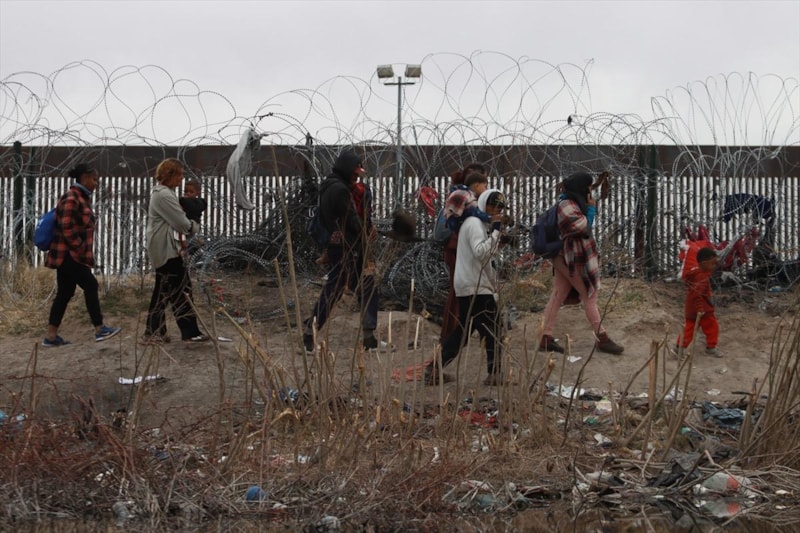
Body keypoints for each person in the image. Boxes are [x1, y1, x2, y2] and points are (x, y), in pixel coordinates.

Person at [302, 149, 383, 353]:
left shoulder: (330, 185)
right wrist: (367, 231)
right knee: (335, 291)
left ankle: (369, 338)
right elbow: (351, 220)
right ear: (347, 170)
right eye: (355, 174)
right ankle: (309, 336)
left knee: (363, 287)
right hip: (347, 248)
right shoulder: (340, 191)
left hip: (341, 247)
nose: (357, 178)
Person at [426, 189, 507, 386]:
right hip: (475, 286)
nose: (497, 211)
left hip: (471, 285)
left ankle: (434, 368)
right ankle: (495, 373)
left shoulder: (476, 225)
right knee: (493, 329)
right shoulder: (475, 224)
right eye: (494, 206)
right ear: (483, 205)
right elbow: (481, 253)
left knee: (462, 332)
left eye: (500, 208)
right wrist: (496, 232)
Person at [538, 171, 624, 355]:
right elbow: (583, 227)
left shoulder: (570, 202)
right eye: (588, 188)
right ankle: (602, 338)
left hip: (568, 257)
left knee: (558, 295)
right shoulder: (567, 205)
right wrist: (591, 209)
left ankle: (545, 337)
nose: (589, 192)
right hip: (572, 258)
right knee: (589, 295)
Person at [42, 164, 121, 346]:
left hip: (69, 254)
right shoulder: (72, 197)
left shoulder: (81, 198)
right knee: (91, 285)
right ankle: (100, 329)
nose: (96, 183)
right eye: (94, 179)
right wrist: (79, 246)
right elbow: (65, 226)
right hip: (69, 254)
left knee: (65, 292)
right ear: (84, 178)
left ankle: (51, 337)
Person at [142, 158, 210, 344]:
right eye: (179, 175)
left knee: (172, 289)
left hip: (167, 248)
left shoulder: (165, 193)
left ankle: (160, 332)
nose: (181, 179)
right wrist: (194, 226)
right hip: (166, 250)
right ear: (170, 175)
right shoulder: (164, 195)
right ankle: (181, 332)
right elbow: (181, 223)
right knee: (176, 289)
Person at [438, 165, 491, 346]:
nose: (486, 188)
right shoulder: (466, 204)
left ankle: (456, 337)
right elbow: (478, 249)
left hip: (461, 258)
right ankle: (450, 336)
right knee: (460, 298)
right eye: (484, 183)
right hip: (459, 257)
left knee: (466, 302)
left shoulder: (459, 198)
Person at [675, 246, 721, 359]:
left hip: (691, 308)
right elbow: (697, 294)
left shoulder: (696, 274)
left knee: (689, 329)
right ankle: (711, 347)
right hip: (702, 310)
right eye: (712, 264)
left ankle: (678, 348)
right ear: (704, 263)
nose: (714, 266)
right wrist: (700, 309)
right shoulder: (701, 276)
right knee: (712, 327)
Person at [179, 177, 207, 254]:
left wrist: (183, 200)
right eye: (186, 191)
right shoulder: (184, 202)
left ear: (197, 193)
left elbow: (192, 207)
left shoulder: (198, 202)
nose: (188, 193)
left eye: (191, 192)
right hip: (185, 228)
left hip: (193, 226)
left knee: (192, 244)